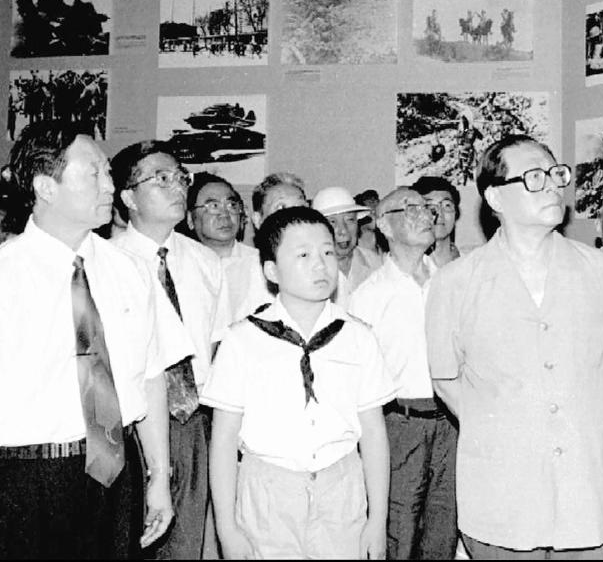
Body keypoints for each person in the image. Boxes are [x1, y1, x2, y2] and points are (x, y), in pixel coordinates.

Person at [426, 135, 603, 558]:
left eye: (556, 174)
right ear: (495, 196)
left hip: (586, 489)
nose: (554, 185)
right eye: (535, 177)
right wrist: (506, 426)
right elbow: (447, 381)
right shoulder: (454, 283)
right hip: (502, 495)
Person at [1, 122, 178, 557]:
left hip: (119, 470)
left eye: (108, 172)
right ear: (46, 186)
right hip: (27, 477)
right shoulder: (7, 275)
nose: (110, 185)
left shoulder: (129, 270)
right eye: (93, 173)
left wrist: (158, 475)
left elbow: (151, 375)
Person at [202, 207, 396, 559]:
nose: (321, 265)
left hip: (342, 489)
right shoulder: (242, 340)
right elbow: (224, 439)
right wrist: (226, 528)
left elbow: (374, 433)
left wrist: (377, 520)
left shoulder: (359, 336)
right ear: (272, 271)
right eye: (303, 255)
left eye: (327, 252)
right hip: (267, 492)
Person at [110, 140, 232, 559]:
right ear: (128, 197)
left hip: (194, 421)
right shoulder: (107, 262)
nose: (177, 186)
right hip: (130, 425)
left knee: (185, 543)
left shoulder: (205, 261)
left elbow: (215, 346)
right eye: (161, 178)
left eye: (181, 177)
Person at [350, 187, 459, 559]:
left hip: (451, 422)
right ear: (384, 225)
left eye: (426, 208)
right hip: (398, 424)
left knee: (444, 528)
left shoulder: (451, 282)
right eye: (410, 207)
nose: (424, 214)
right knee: (398, 531)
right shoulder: (368, 297)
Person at [187, 172, 272, 322]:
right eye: (213, 206)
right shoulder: (181, 266)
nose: (225, 214)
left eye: (232, 205)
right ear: (190, 219)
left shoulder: (263, 264)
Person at [312, 186, 383, 306]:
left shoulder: (376, 264)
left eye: (350, 220)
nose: (343, 230)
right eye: (332, 222)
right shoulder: (308, 270)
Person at [412, 175, 462, 267]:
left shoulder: (472, 262)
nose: (439, 213)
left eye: (447, 205)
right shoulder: (406, 268)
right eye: (430, 206)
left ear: (456, 213)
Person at [354, 189, 384, 256]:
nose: (375, 205)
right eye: (371, 202)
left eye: (377, 201)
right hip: (364, 251)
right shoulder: (365, 219)